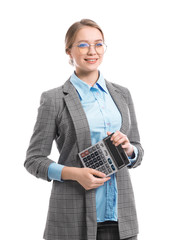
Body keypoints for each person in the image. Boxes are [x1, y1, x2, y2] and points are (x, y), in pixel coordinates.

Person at [24, 19, 144, 240]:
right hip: (72, 218)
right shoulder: (54, 99)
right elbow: (33, 160)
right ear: (69, 51)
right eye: (82, 45)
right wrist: (74, 174)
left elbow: (137, 149)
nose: (92, 51)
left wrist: (129, 150)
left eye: (98, 44)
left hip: (121, 218)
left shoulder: (122, 94)